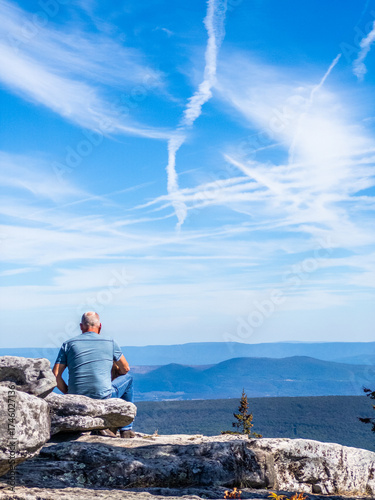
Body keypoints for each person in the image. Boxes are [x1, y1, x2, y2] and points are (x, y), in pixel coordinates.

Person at [52, 311, 135, 438]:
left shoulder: (68, 344)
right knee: (128, 379)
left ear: (81, 326)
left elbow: (56, 375)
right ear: (100, 326)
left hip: (76, 397)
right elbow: (125, 369)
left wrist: (68, 393)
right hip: (103, 396)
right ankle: (126, 429)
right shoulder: (110, 342)